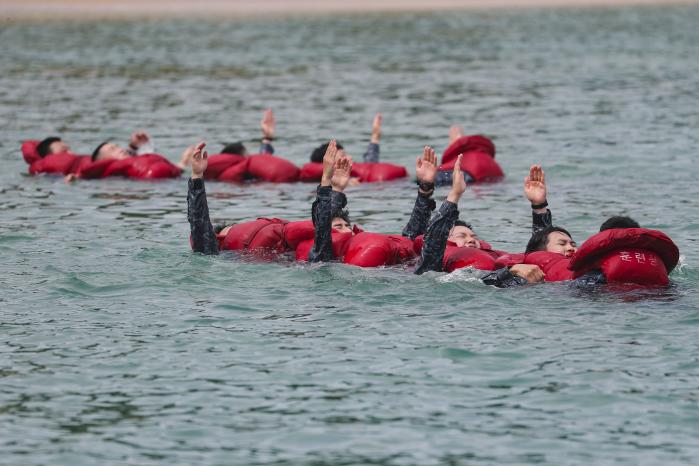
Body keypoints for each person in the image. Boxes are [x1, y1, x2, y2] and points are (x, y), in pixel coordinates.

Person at [412, 153, 545, 285]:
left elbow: (542, 256)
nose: (471, 239)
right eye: (461, 236)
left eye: (474, 237)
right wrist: (454, 194)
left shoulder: (495, 259)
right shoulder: (431, 266)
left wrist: (539, 207)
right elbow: (434, 239)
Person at [308, 140, 355, 262]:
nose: (348, 230)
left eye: (348, 226)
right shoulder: (322, 257)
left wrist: (338, 188)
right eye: (339, 227)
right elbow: (323, 225)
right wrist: (326, 179)